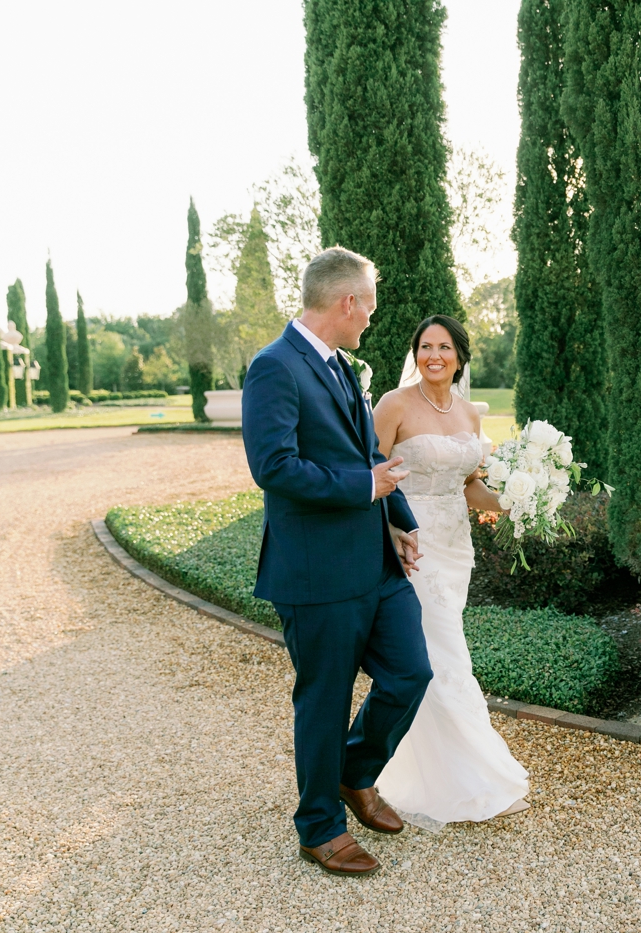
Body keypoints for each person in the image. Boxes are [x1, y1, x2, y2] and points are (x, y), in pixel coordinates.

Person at [241, 246, 431, 877]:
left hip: (376, 563)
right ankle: (319, 828)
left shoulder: (343, 367)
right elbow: (274, 467)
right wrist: (364, 489)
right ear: (348, 302)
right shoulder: (274, 367)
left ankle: (354, 772)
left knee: (410, 674)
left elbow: (367, 455)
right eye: (369, 306)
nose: (371, 318)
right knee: (324, 702)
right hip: (316, 572)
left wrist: (399, 520)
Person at [370, 314, 530, 829]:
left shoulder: (468, 414)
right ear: (415, 353)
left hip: (455, 546)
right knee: (442, 655)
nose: (432, 356)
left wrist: (516, 500)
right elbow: (367, 477)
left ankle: (430, 771)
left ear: (459, 356)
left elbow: (469, 486)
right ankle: (470, 778)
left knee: (443, 649)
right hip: (411, 546)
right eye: (424, 346)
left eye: (443, 347)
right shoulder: (394, 405)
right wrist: (388, 532)